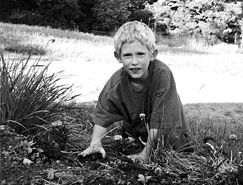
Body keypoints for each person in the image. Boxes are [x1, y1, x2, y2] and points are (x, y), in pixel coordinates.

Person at [80, 21, 188, 163]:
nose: (134, 62)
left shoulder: (162, 75)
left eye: (140, 54)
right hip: (136, 137)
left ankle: (209, 145)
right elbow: (102, 115)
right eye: (128, 55)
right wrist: (95, 144)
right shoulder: (116, 83)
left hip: (168, 136)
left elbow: (160, 121)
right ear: (118, 57)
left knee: (176, 156)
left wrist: (146, 154)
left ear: (152, 54)